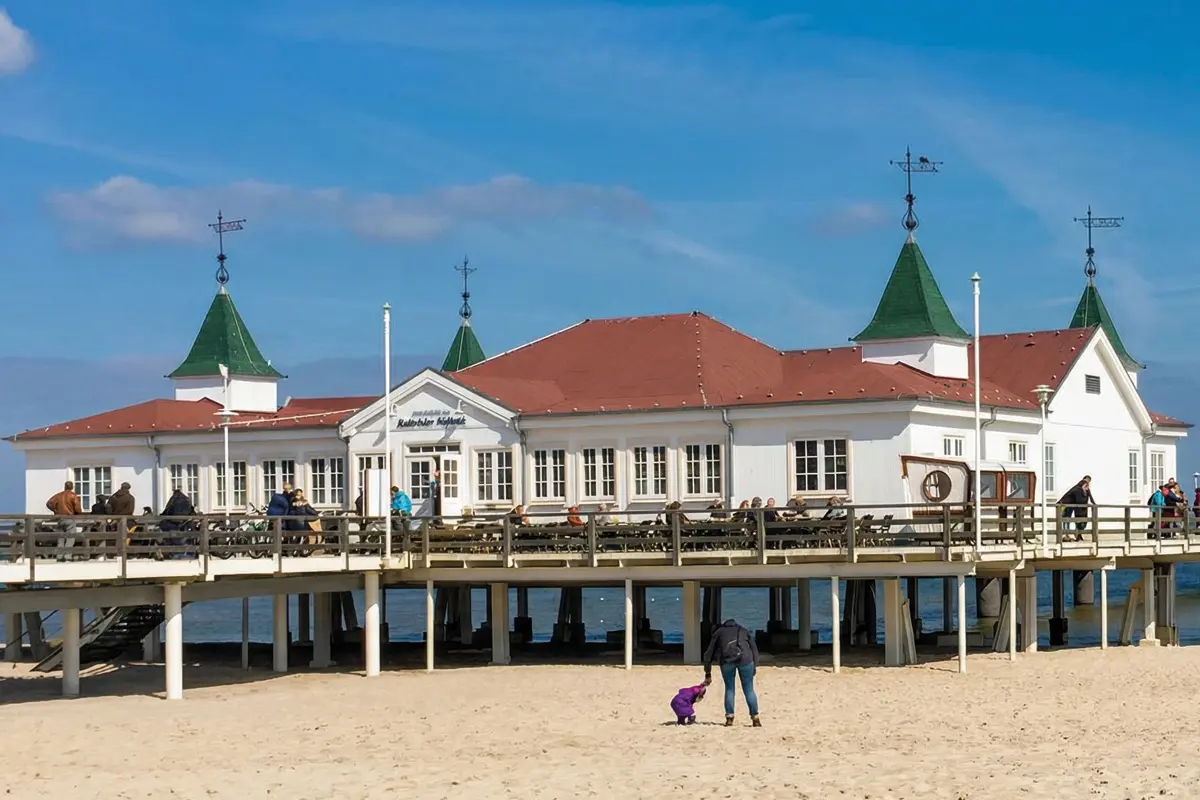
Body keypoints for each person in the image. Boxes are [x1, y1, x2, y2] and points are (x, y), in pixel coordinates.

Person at [702, 618, 762, 727]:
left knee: (729, 689)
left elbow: (709, 653)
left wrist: (708, 672)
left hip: (726, 661)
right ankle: (755, 718)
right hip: (746, 660)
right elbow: (754, 649)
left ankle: (729, 717)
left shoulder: (719, 632)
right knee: (749, 690)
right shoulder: (743, 630)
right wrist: (754, 666)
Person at [46, 481, 83, 561]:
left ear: (65, 486)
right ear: (72, 487)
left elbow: (49, 503)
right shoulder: (73, 495)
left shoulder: (59, 495)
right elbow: (78, 509)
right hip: (69, 518)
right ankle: (67, 556)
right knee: (70, 538)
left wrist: (55, 511)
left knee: (61, 539)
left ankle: (59, 556)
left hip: (60, 518)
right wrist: (77, 513)